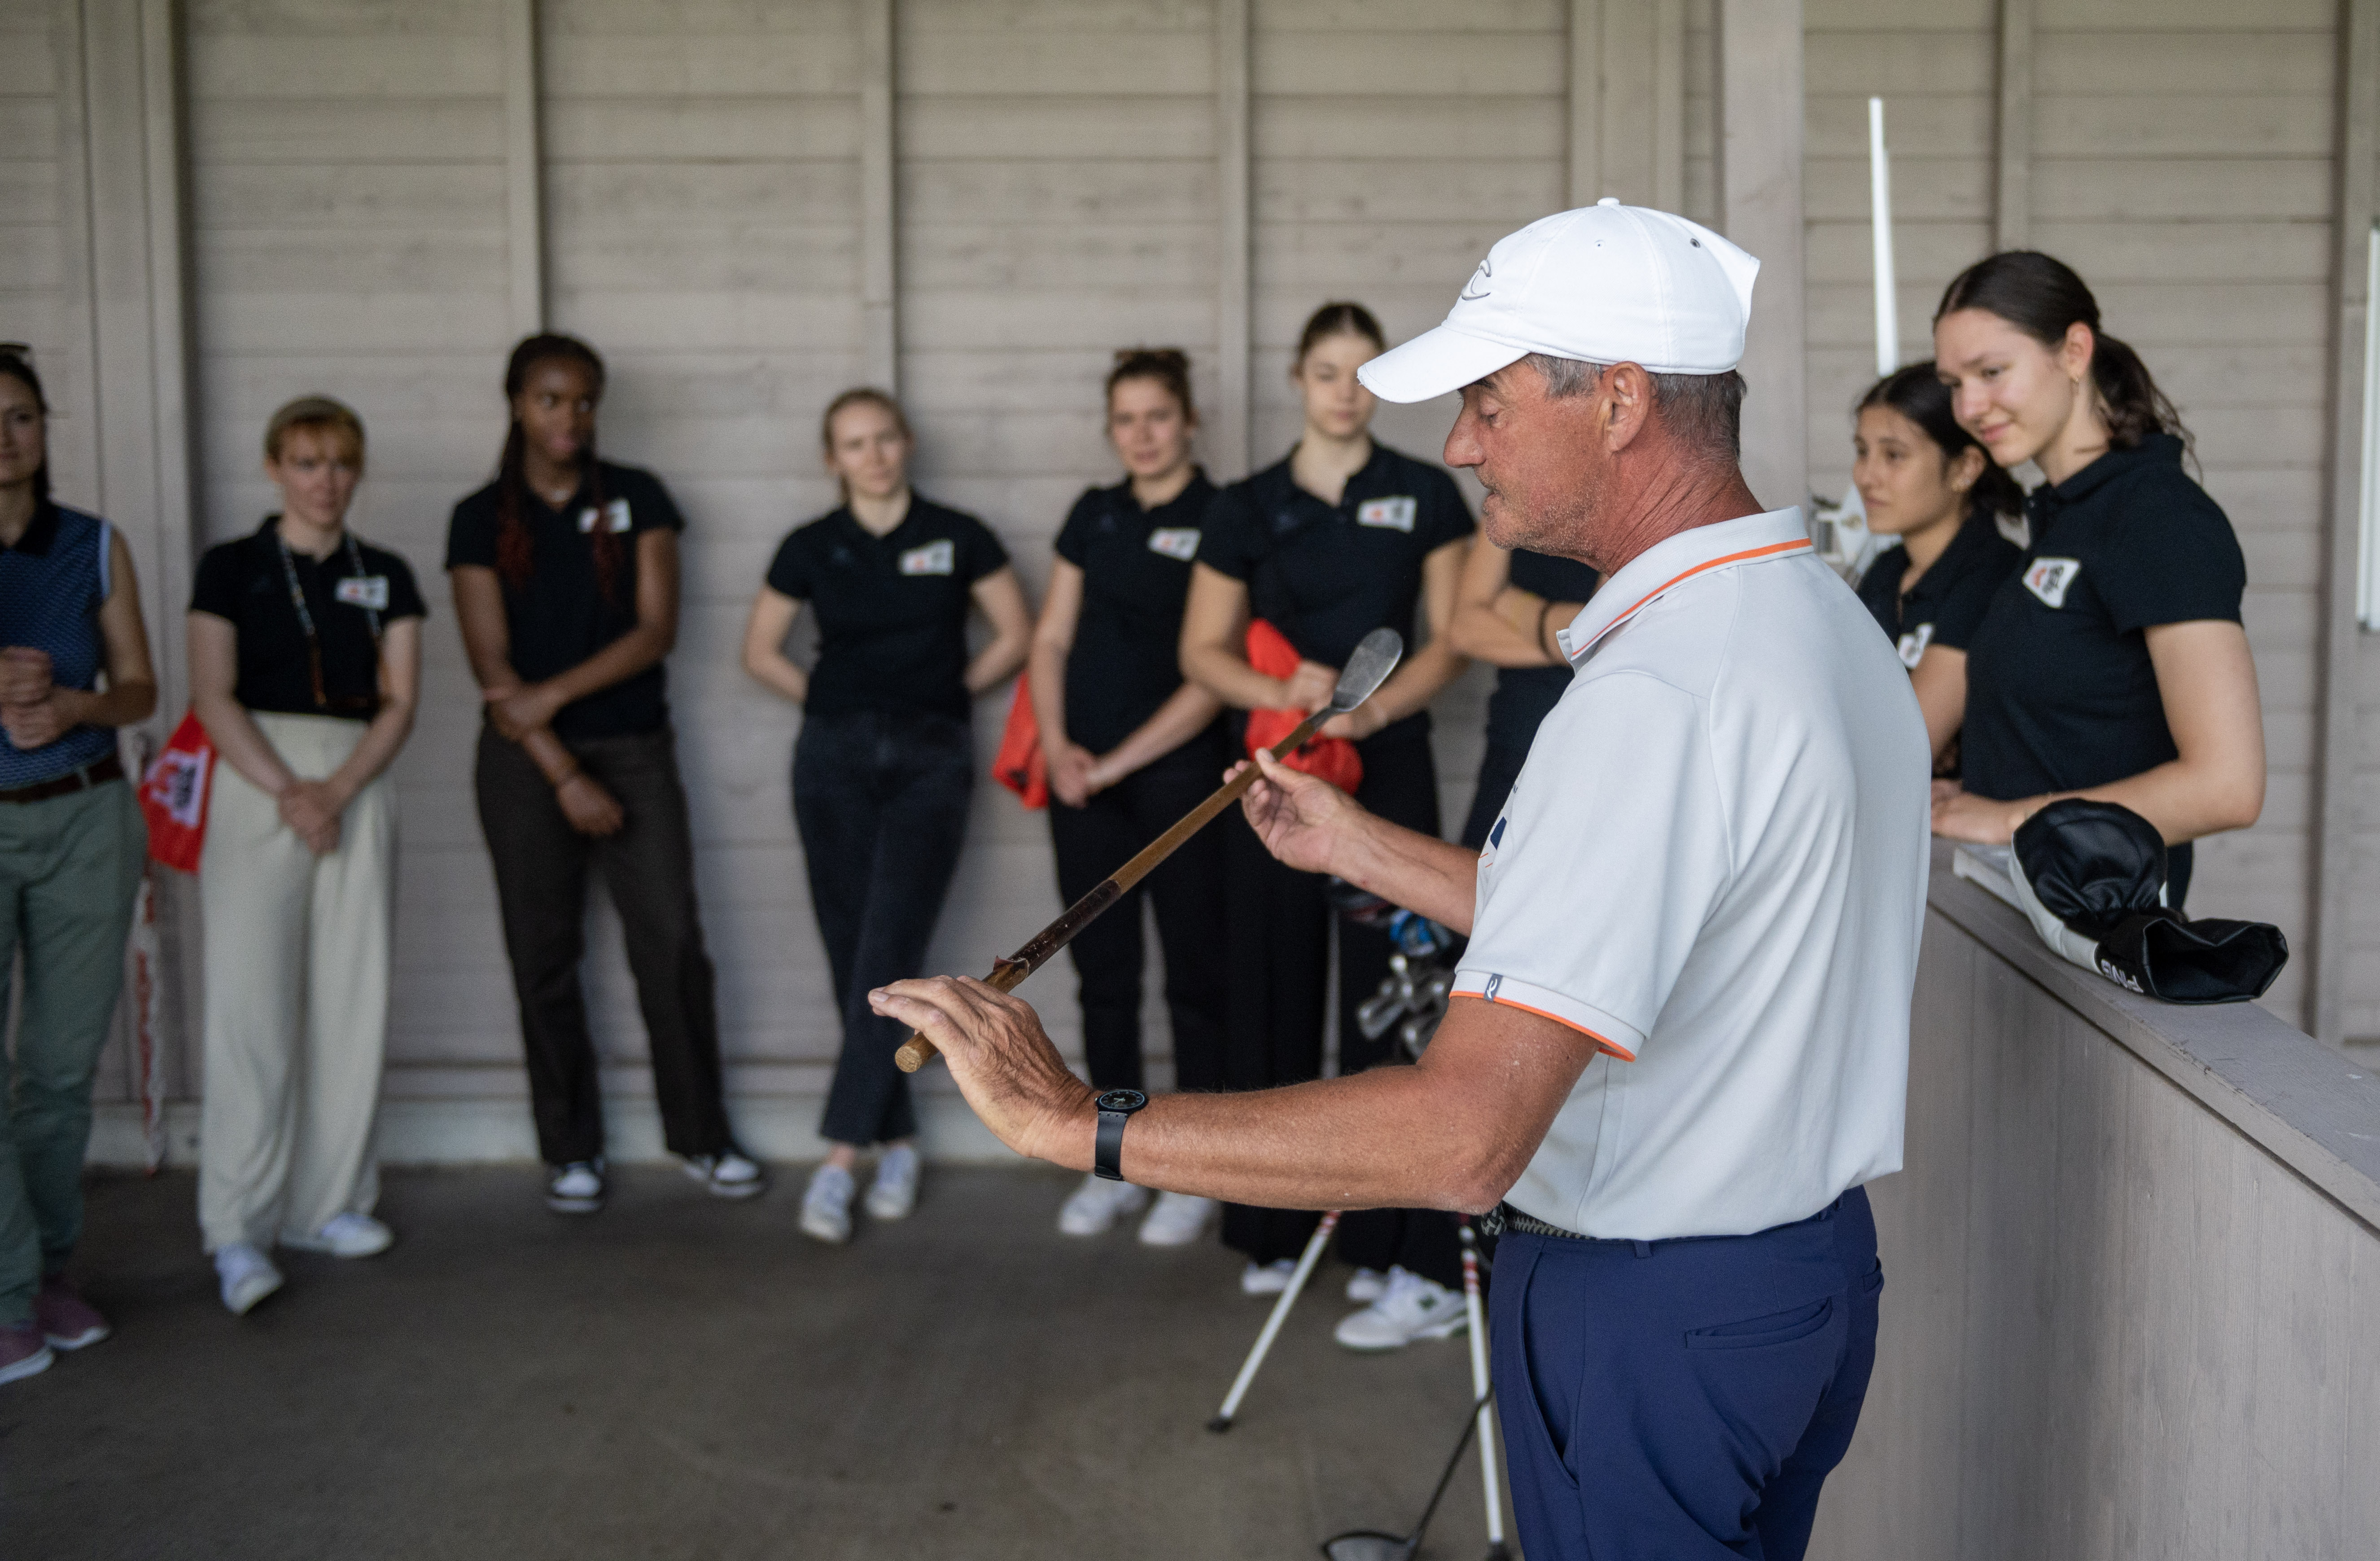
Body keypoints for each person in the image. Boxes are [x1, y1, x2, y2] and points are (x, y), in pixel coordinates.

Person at [873, 202, 1926, 1561]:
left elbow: (1459, 1136)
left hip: (1653, 1312)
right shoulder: (1815, 613)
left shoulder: (1659, 692)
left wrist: (1081, 1122)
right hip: (1800, 1282)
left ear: (1617, 400)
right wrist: (1366, 848)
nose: (1460, 442)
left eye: (1487, 400)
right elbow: (1663, 921)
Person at [1178, 301, 1474, 1348]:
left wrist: (1375, 706)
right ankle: (1267, 1222)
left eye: (1363, 371)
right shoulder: (1244, 504)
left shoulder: (1424, 490)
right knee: (1269, 981)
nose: (1344, 389)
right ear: (1297, 381)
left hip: (1385, 765)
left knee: (1389, 997)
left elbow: (1448, 636)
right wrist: (1280, 684)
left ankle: (1389, 1238)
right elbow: (1200, 649)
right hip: (1273, 766)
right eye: (1325, 370)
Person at [448, 333, 761, 1215]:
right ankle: (570, 1146)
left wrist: (554, 695)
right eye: (550, 399)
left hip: (634, 746)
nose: (568, 417)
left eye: (583, 400)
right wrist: (560, 769)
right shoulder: (478, 517)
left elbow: (654, 631)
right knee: (541, 955)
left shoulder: (637, 496)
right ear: (517, 402)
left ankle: (703, 1134)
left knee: (669, 945)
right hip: (523, 763)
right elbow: (489, 666)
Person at [742, 389, 1031, 1244]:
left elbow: (1015, 632)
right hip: (829, 758)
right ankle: (897, 1139)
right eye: (852, 444)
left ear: (905, 443)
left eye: (882, 439)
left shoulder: (957, 533)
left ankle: (837, 1155)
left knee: (887, 943)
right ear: (831, 457)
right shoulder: (810, 545)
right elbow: (757, 650)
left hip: (930, 757)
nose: (870, 456)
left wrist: (938, 697)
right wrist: (835, 704)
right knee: (853, 954)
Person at [1930, 252, 2265, 904]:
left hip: (2101, 928)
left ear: (2075, 351)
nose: (1969, 405)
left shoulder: (2158, 517)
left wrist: (2007, 819)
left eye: (1993, 372)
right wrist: (1979, 793)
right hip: (2024, 911)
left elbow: (2227, 785)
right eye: (1953, 382)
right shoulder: (2066, 516)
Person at [189, 396, 424, 1315]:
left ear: (357, 471)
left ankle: (327, 1201)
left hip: (358, 777)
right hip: (257, 777)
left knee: (351, 994)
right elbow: (212, 693)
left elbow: (400, 700)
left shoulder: (389, 575)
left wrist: (336, 789)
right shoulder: (232, 568)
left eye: (339, 463)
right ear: (275, 467)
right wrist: (291, 790)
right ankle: (237, 1226)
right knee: (251, 1005)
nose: (323, 481)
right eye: (305, 462)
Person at [1029, 351, 1231, 1245]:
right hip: (1080, 781)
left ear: (1188, 420)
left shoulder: (1223, 513)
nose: (1142, 434)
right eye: (1126, 419)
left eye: (1157, 416)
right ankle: (1112, 1159)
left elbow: (1212, 678)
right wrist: (1061, 752)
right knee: (1104, 980)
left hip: (1178, 780)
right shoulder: (1094, 513)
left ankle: (1190, 1170)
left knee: (1195, 978)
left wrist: (1116, 764)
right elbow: (1048, 641)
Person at [0, 348, 155, 1384]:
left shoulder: (94, 544)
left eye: (20, 415)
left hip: (87, 814)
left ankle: (48, 1270)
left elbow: (142, 688)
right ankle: (7, 1289)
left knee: (59, 1070)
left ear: (45, 428)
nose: (5, 436)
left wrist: (73, 706)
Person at [1846, 363, 2024, 774]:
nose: (1867, 476)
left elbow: (1904, 752)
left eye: (1894, 455)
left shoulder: (1992, 573)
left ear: (1965, 468)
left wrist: (1902, 736)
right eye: (1862, 452)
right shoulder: (1886, 570)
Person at [1447, 541, 1598, 847]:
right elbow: (1464, 631)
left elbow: (1602, 633)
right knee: (1480, 884)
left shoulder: (1629, 502)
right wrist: (1570, 645)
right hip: (1511, 739)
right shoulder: (1510, 496)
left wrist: (1512, 605)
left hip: (1590, 746)